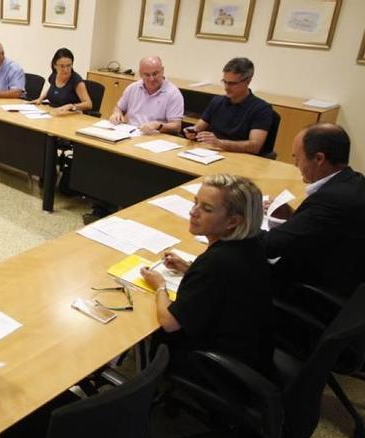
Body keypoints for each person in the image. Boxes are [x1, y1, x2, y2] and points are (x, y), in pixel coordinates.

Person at [140, 174, 274, 377]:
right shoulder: (251, 244)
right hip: (253, 349)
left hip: (219, 364)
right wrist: (188, 268)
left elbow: (169, 322)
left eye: (207, 209)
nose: (193, 212)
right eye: (195, 203)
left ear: (233, 221)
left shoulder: (216, 263)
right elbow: (225, 283)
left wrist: (159, 285)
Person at [262, 124, 365, 299]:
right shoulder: (354, 181)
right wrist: (293, 217)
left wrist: (235, 224)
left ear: (319, 158)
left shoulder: (332, 200)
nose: (296, 165)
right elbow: (321, 226)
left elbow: (270, 246)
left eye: (298, 158)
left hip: (311, 289)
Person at [182, 57, 273, 156]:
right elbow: (198, 127)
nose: (226, 87)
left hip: (241, 158)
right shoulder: (217, 101)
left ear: (248, 81)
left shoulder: (261, 109)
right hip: (211, 154)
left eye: (232, 83)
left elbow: (254, 146)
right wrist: (191, 132)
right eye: (224, 81)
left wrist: (220, 143)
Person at [109, 56, 184, 135]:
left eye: (155, 74)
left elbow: (177, 127)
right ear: (141, 74)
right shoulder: (133, 88)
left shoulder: (173, 93)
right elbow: (119, 108)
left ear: (162, 71)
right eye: (147, 75)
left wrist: (158, 125)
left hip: (155, 138)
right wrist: (116, 113)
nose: (152, 79)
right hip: (131, 133)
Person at [32, 48, 91, 115]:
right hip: (54, 113)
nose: (65, 70)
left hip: (70, 116)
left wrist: (72, 106)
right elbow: (52, 89)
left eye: (68, 66)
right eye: (62, 66)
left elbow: (88, 104)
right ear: (55, 65)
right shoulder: (54, 75)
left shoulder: (76, 80)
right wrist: (40, 99)